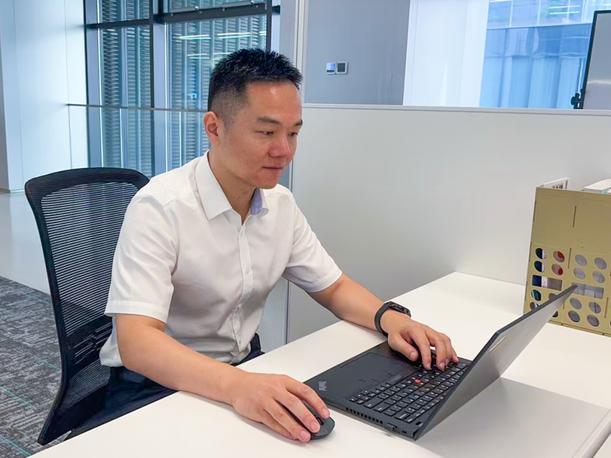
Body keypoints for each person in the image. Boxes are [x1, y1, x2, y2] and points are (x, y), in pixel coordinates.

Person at [97, 48, 458, 443]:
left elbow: (334, 287)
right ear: (214, 128)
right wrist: (238, 386)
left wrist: (392, 319)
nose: (284, 150)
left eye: (293, 133)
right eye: (266, 132)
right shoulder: (159, 207)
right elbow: (137, 343)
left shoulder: (280, 204)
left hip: (242, 370)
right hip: (156, 385)